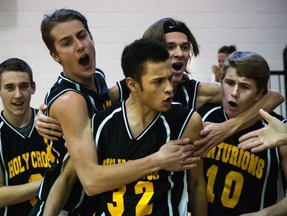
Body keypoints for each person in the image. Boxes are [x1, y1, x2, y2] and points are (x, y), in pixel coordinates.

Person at [31, 9, 201, 216]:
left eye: (82, 35)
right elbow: (87, 179)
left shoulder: (98, 80)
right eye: (67, 43)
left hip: (92, 201)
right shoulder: (70, 100)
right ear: (55, 56)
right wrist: (158, 160)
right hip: (64, 204)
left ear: (91, 37)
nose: (79, 45)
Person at [35, 17, 284, 156]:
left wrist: (227, 128)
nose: (179, 53)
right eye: (170, 47)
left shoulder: (195, 90)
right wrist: (43, 116)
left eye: (185, 47)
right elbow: (84, 103)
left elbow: (272, 96)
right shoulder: (123, 91)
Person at [197, 51, 287, 215]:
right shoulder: (202, 117)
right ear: (220, 82)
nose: (234, 93)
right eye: (229, 83)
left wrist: (263, 215)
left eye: (245, 87)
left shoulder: (276, 129)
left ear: (259, 94)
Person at [0, 58, 56, 215]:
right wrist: (51, 182)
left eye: (23, 86)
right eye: (10, 88)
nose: (18, 95)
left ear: (33, 88)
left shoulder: (49, 123)